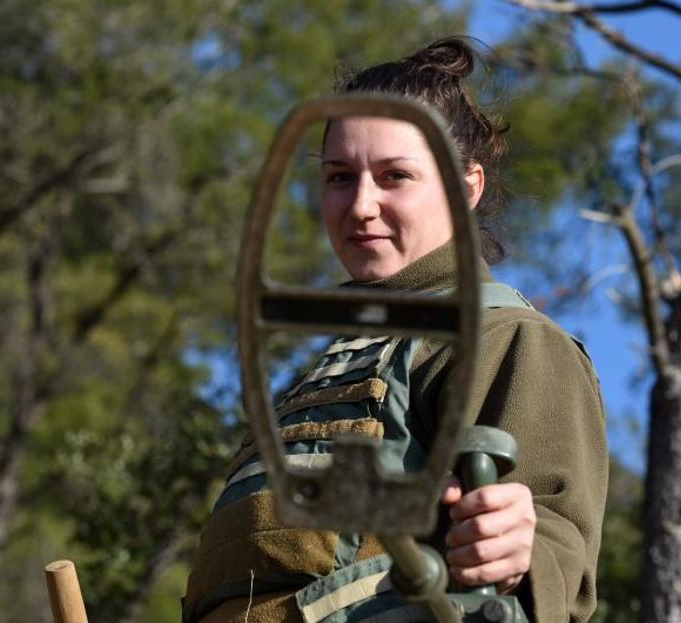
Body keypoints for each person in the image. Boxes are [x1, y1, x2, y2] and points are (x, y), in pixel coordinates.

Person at [183, 37, 607, 623]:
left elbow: (553, 553)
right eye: (339, 177)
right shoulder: (327, 364)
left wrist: (516, 550)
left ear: (467, 188)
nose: (359, 205)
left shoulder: (508, 337)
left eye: (394, 176)